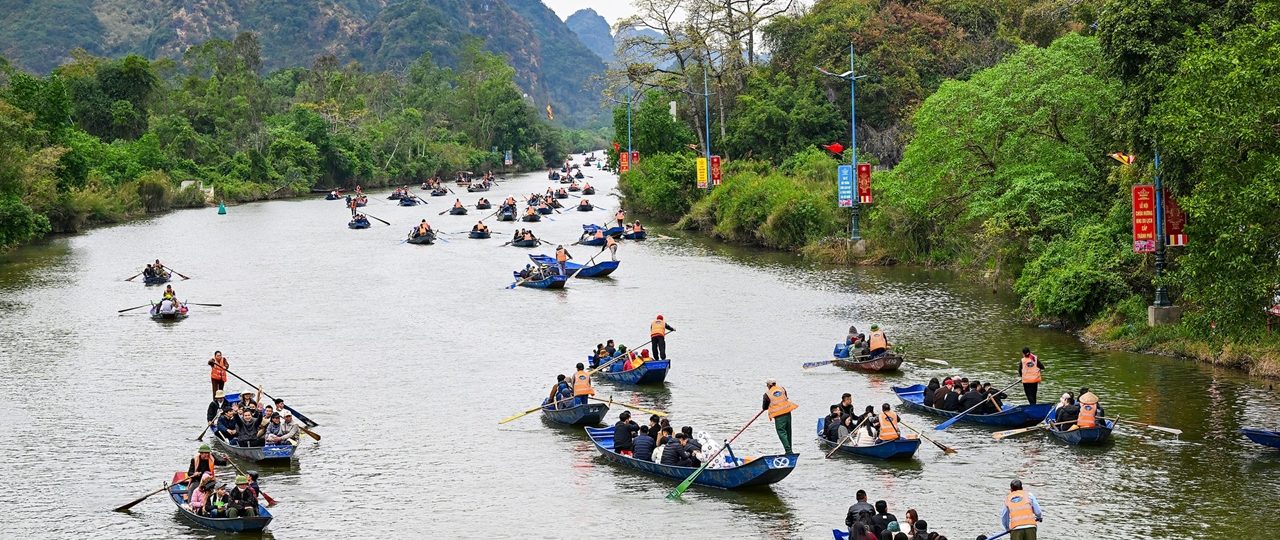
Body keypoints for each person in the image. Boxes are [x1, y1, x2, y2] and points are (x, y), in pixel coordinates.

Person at [763, 378, 798, 453]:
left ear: (769, 385)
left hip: (779, 416)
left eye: (767, 385)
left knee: (781, 432)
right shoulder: (782, 389)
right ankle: (790, 450)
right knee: (788, 431)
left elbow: (764, 407)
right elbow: (785, 397)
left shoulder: (767, 394)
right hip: (787, 413)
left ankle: (788, 451)